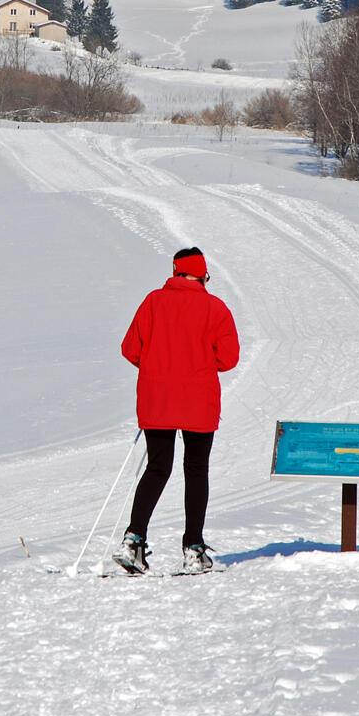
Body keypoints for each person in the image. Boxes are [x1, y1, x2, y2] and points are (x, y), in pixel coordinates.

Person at [113, 246, 240, 574]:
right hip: (198, 399)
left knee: (157, 467)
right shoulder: (215, 308)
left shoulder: (153, 302)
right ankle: (193, 550)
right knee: (196, 469)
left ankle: (133, 540)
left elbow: (130, 349)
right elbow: (228, 359)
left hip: (157, 399)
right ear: (203, 274)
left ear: (174, 271)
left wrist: (158, 367)